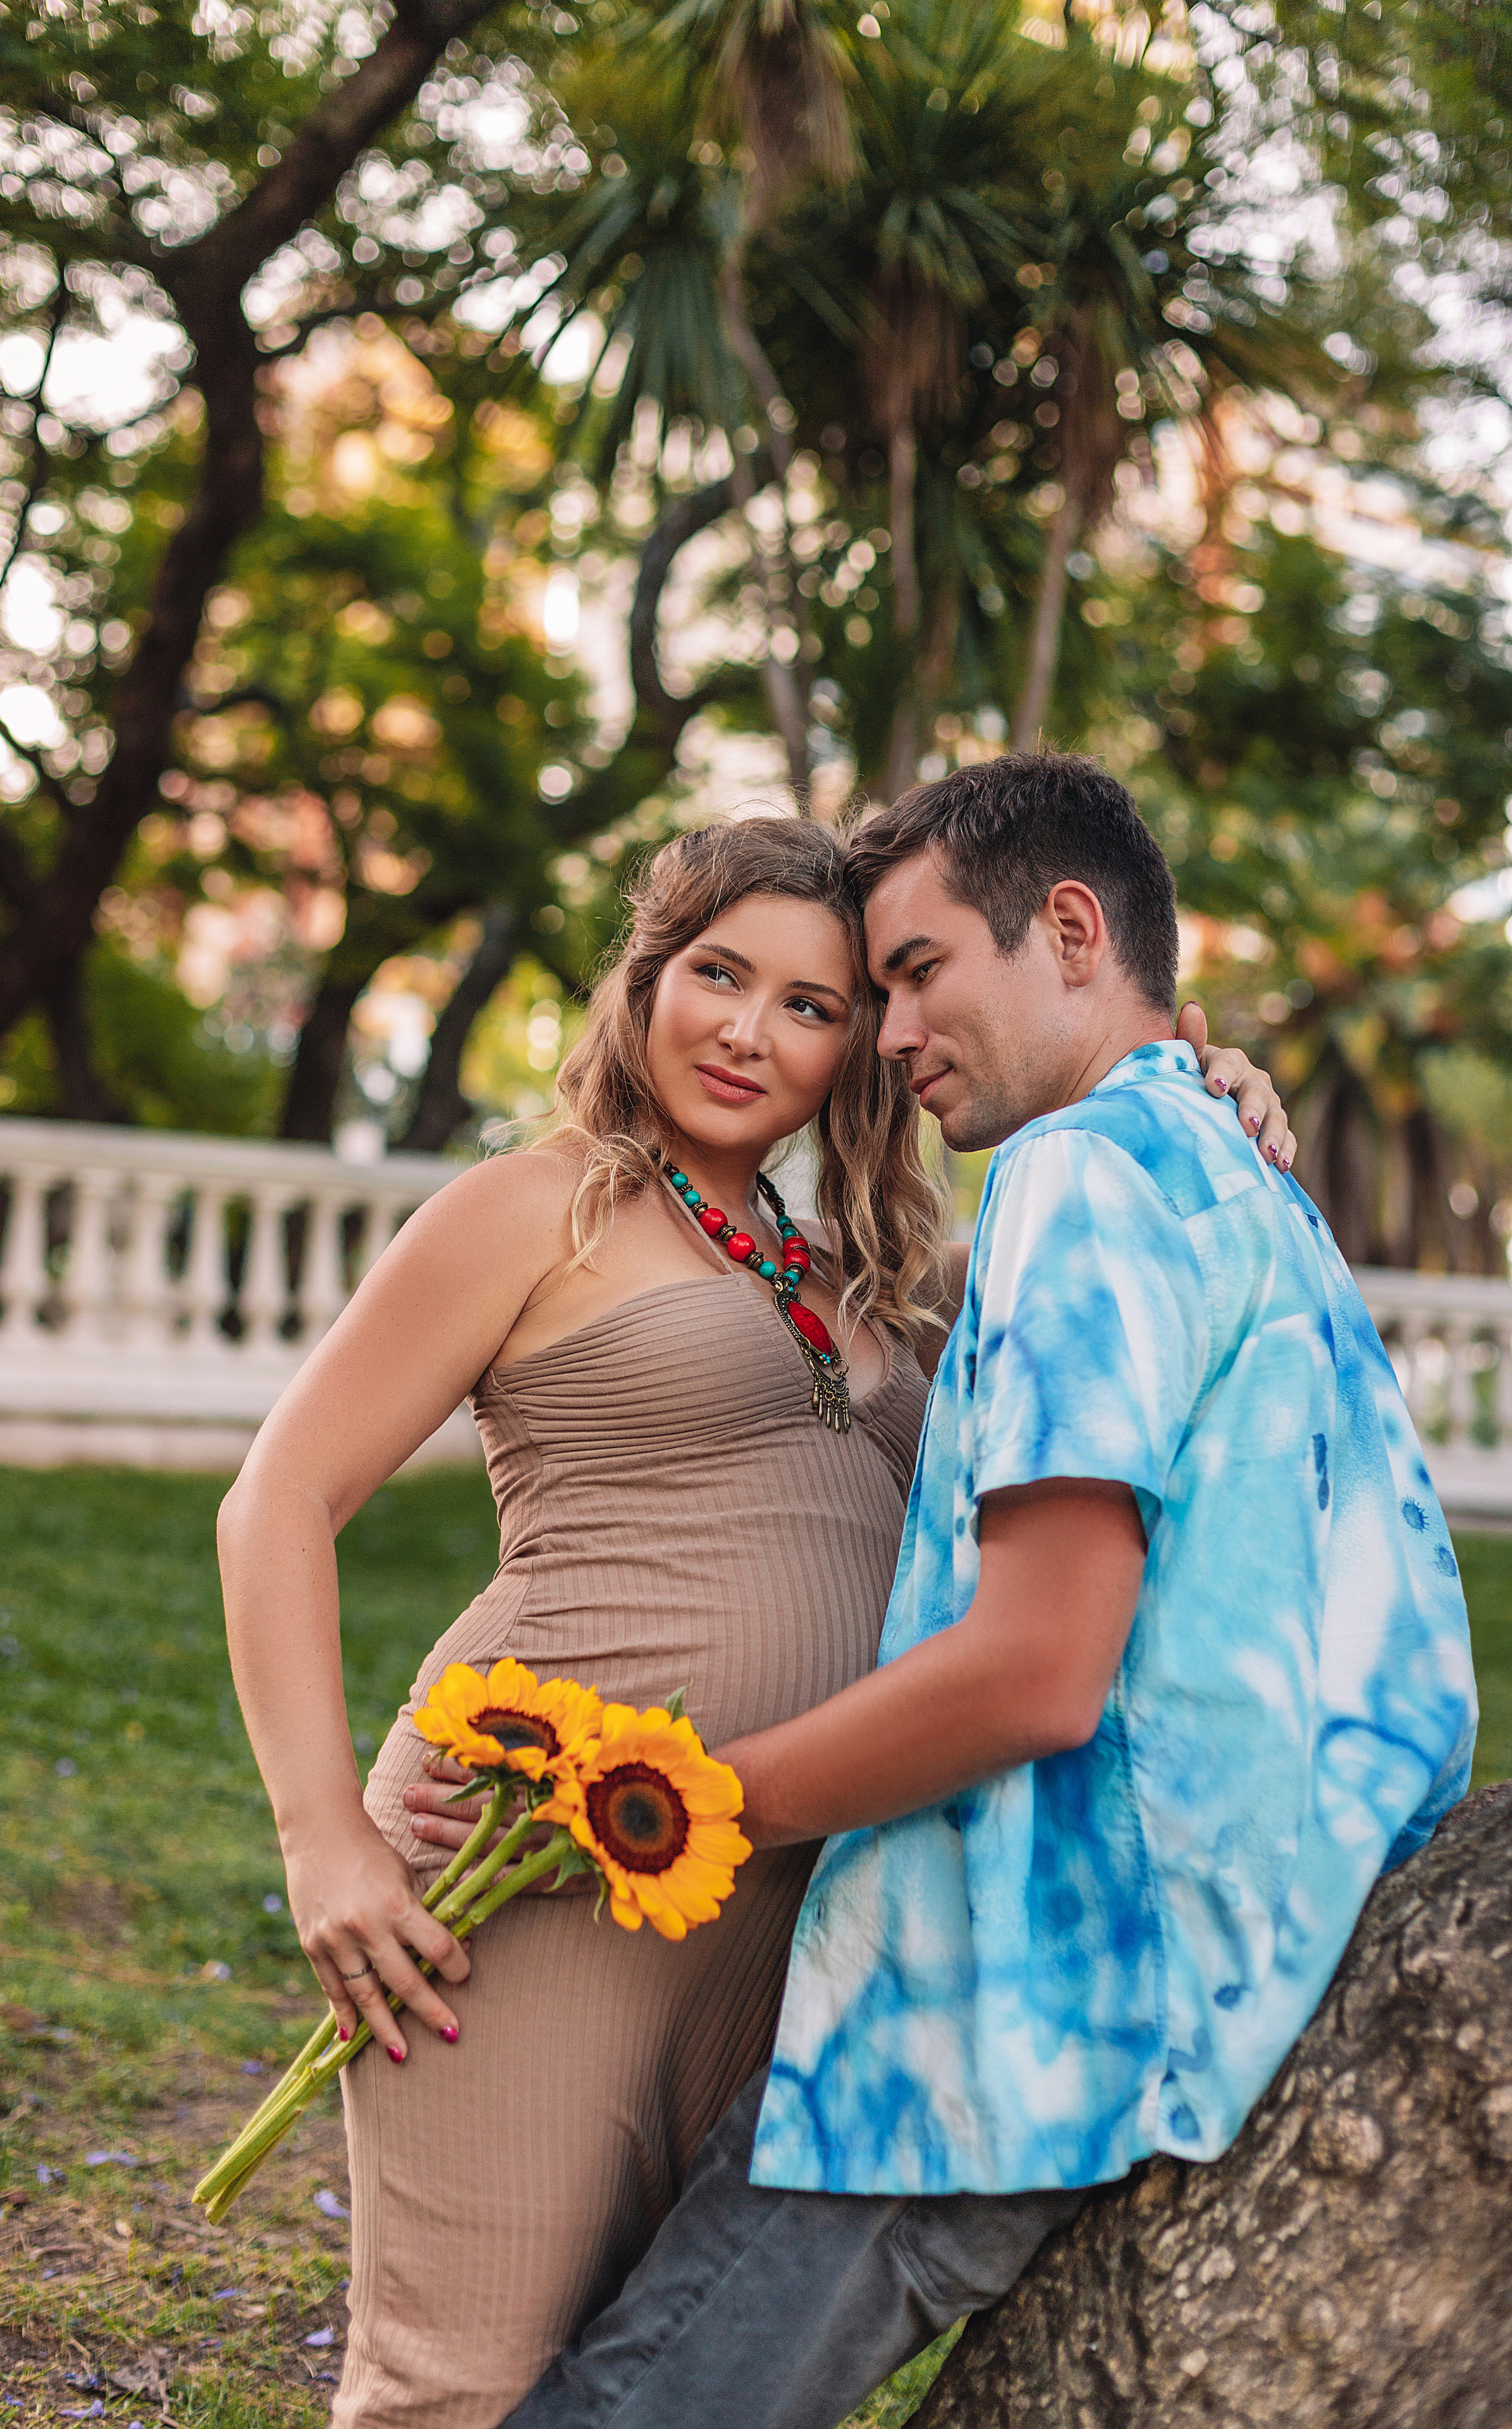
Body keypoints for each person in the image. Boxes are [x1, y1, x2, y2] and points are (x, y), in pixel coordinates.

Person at [216, 813, 1288, 2429]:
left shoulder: (857, 1263)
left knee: (651, 2367)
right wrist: (321, 1841)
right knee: (462, 2383)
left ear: (860, 1039)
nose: (747, 1030)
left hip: (779, 1879)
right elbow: (273, 1503)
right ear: (645, 979)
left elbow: (1097, 1286)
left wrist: (1204, 1091)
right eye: (717, 975)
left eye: (810, 1003)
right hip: (534, 1862)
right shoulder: (537, 1207)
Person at [501, 757, 1478, 2429]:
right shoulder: (1236, 1169)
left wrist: (691, 1807)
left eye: (917, 973)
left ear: (1073, 929)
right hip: (1233, 1948)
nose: (884, 1035)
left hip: (1009, 2008)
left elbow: (1035, 1673)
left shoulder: (1085, 1177)